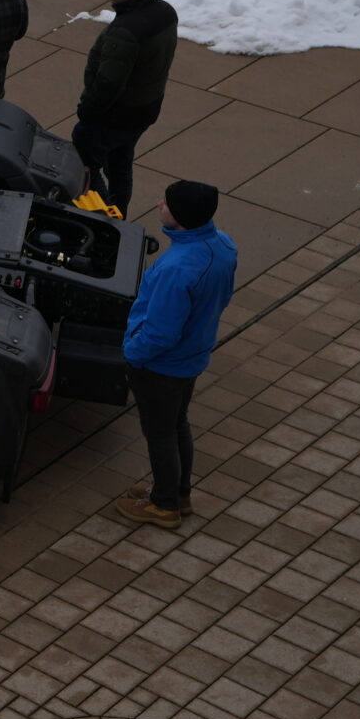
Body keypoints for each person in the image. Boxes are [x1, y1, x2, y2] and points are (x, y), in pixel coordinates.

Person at [114, 181, 236, 530]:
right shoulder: (223, 246)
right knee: (177, 423)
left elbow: (160, 333)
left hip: (160, 366)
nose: (158, 205)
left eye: (165, 203)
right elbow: (222, 297)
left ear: (180, 215)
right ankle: (178, 491)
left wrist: (131, 352)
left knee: (160, 433)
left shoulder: (176, 268)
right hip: (191, 357)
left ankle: (164, 504)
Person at [74, 0, 178, 218]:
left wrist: (87, 112)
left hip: (114, 115)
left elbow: (108, 83)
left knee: (86, 165)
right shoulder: (164, 13)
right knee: (120, 162)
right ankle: (119, 211)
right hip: (144, 110)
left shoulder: (127, 31)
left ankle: (106, 219)